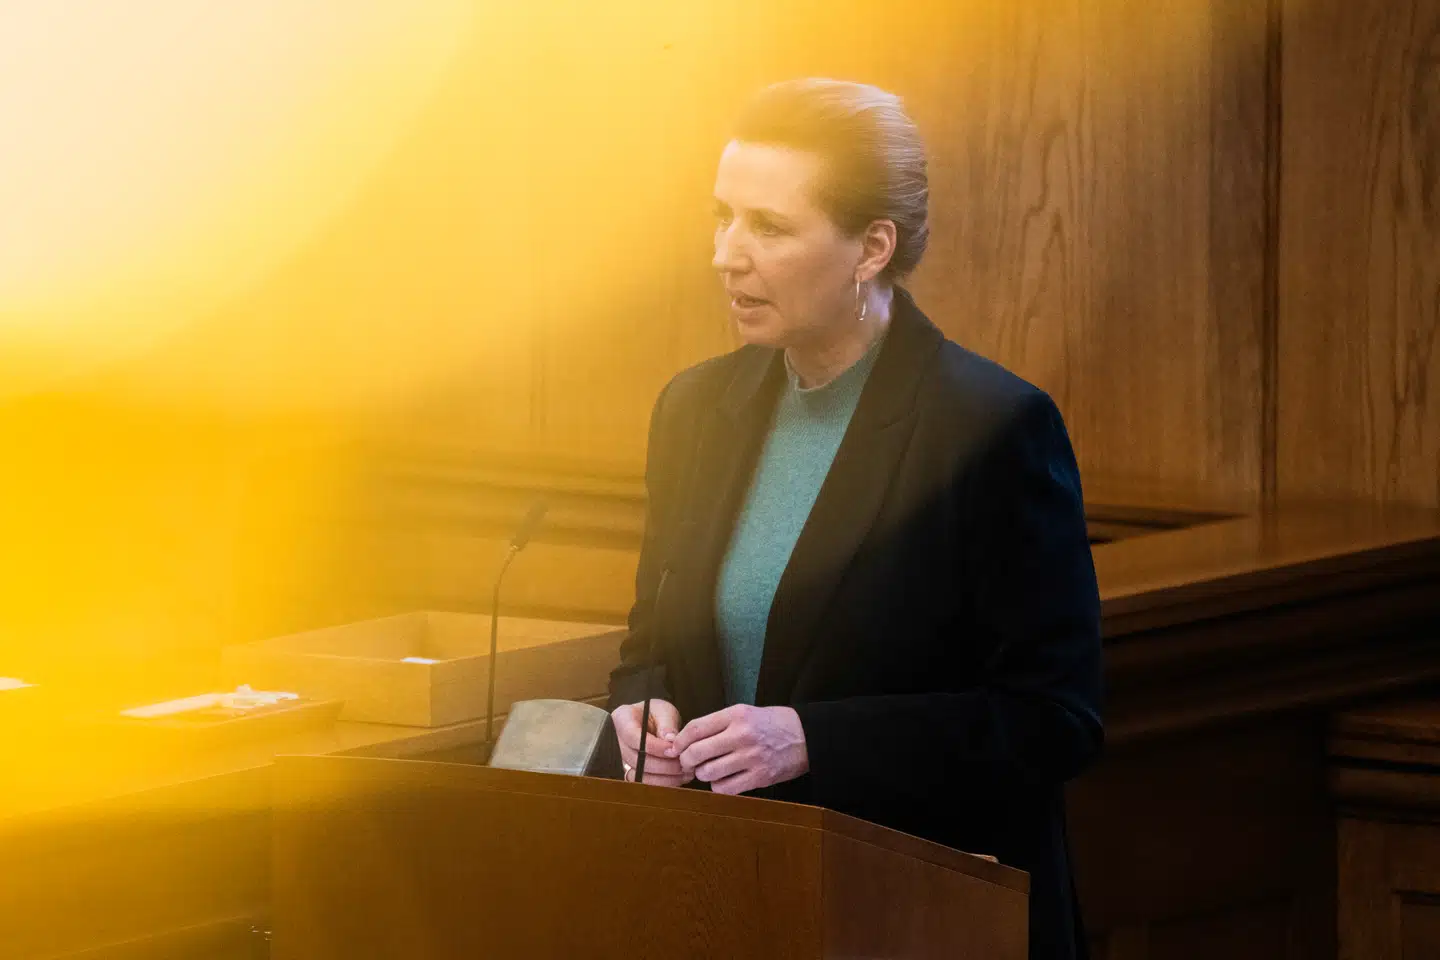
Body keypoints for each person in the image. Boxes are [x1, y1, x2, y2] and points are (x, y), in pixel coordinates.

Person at [607, 78, 1103, 960]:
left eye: (769, 227)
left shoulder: (989, 428)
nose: (727, 254)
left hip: (921, 912)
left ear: (872, 247)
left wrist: (810, 740)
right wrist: (642, 709)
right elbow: (651, 639)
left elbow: (1052, 718)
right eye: (721, 216)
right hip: (729, 900)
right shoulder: (693, 411)